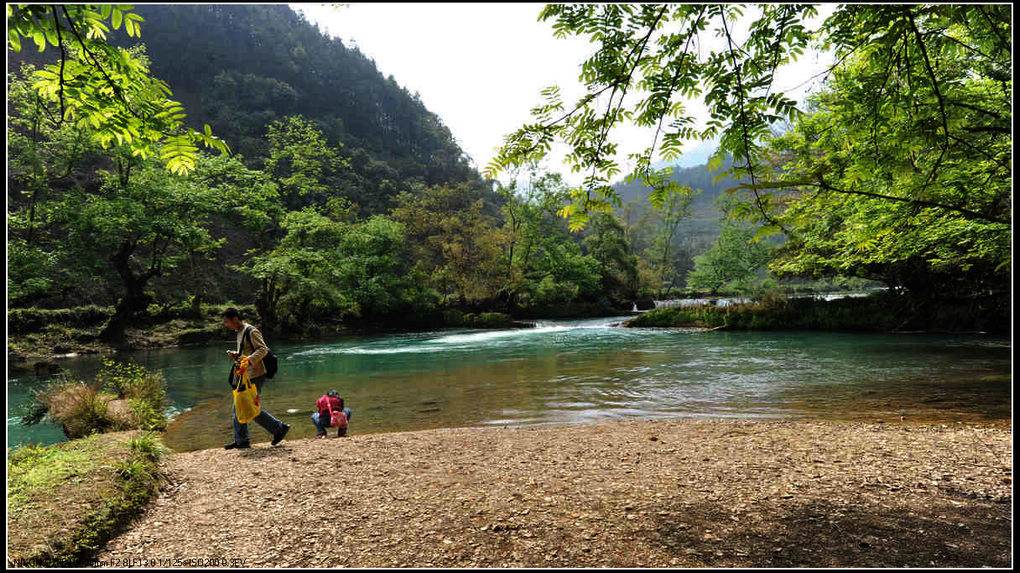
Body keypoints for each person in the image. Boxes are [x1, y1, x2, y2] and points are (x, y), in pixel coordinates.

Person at [222, 308, 290, 449]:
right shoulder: (239, 332)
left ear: (235, 319)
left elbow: (262, 349)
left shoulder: (251, 331)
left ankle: (278, 428)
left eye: (227, 322)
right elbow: (248, 351)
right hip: (246, 373)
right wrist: (237, 355)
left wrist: (248, 360)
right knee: (240, 406)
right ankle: (242, 439)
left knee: (248, 407)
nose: (226, 325)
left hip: (256, 373)